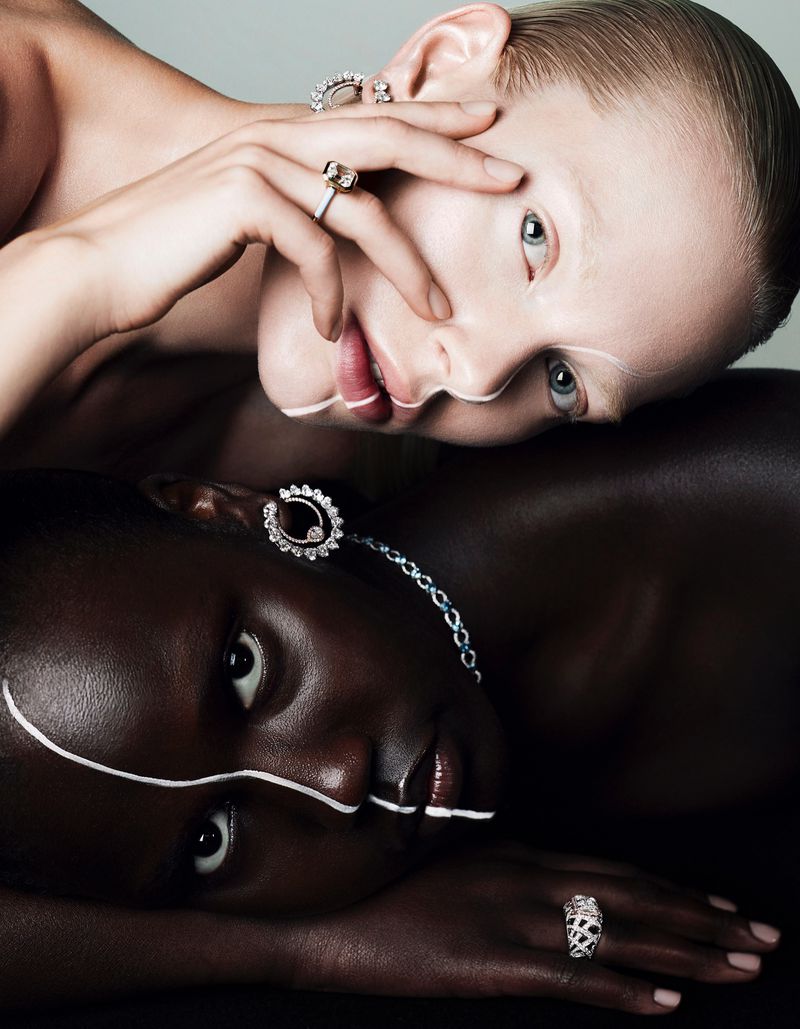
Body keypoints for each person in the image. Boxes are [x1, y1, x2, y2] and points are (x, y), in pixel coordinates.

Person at [2, 368, 797, 1014]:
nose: (334, 784)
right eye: (211, 840)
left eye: (244, 669)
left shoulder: (758, 498)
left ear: (226, 511)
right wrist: (300, 949)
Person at [0, 0, 798, 489]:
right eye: (535, 237)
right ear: (438, 63)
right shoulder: (16, 98)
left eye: (562, 381)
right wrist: (72, 277)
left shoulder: (324, 492)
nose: (479, 376)